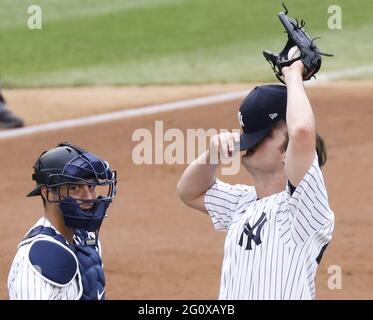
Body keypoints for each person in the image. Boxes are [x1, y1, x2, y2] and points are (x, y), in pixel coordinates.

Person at [177, 60, 335, 300]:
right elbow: (189, 191)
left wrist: (293, 73)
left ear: (287, 152)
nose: (249, 143)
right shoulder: (242, 202)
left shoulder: (303, 209)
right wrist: (212, 156)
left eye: (261, 136)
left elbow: (302, 131)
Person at [7, 142, 117, 300]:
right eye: (74, 188)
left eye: (91, 187)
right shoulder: (37, 261)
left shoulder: (87, 240)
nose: (88, 197)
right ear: (47, 194)